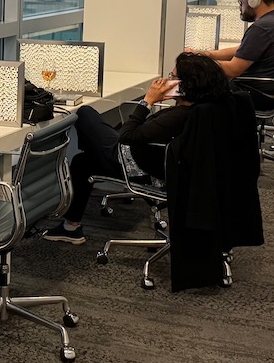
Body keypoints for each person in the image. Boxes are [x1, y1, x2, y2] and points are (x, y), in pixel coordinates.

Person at [44, 52, 232, 245]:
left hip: (135, 164)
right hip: (160, 165)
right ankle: (71, 228)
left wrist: (147, 101)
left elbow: (127, 138)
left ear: (186, 85)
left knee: (84, 113)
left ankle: (97, 156)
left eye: (173, 77)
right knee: (83, 162)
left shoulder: (178, 116)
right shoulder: (204, 109)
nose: (167, 80)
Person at [190, 0, 274, 81]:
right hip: (270, 87)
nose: (240, 8)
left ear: (253, 1)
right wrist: (206, 55)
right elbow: (243, 50)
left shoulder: (262, 27)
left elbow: (233, 70)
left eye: (241, 2)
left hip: (252, 91)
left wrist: (199, 62)